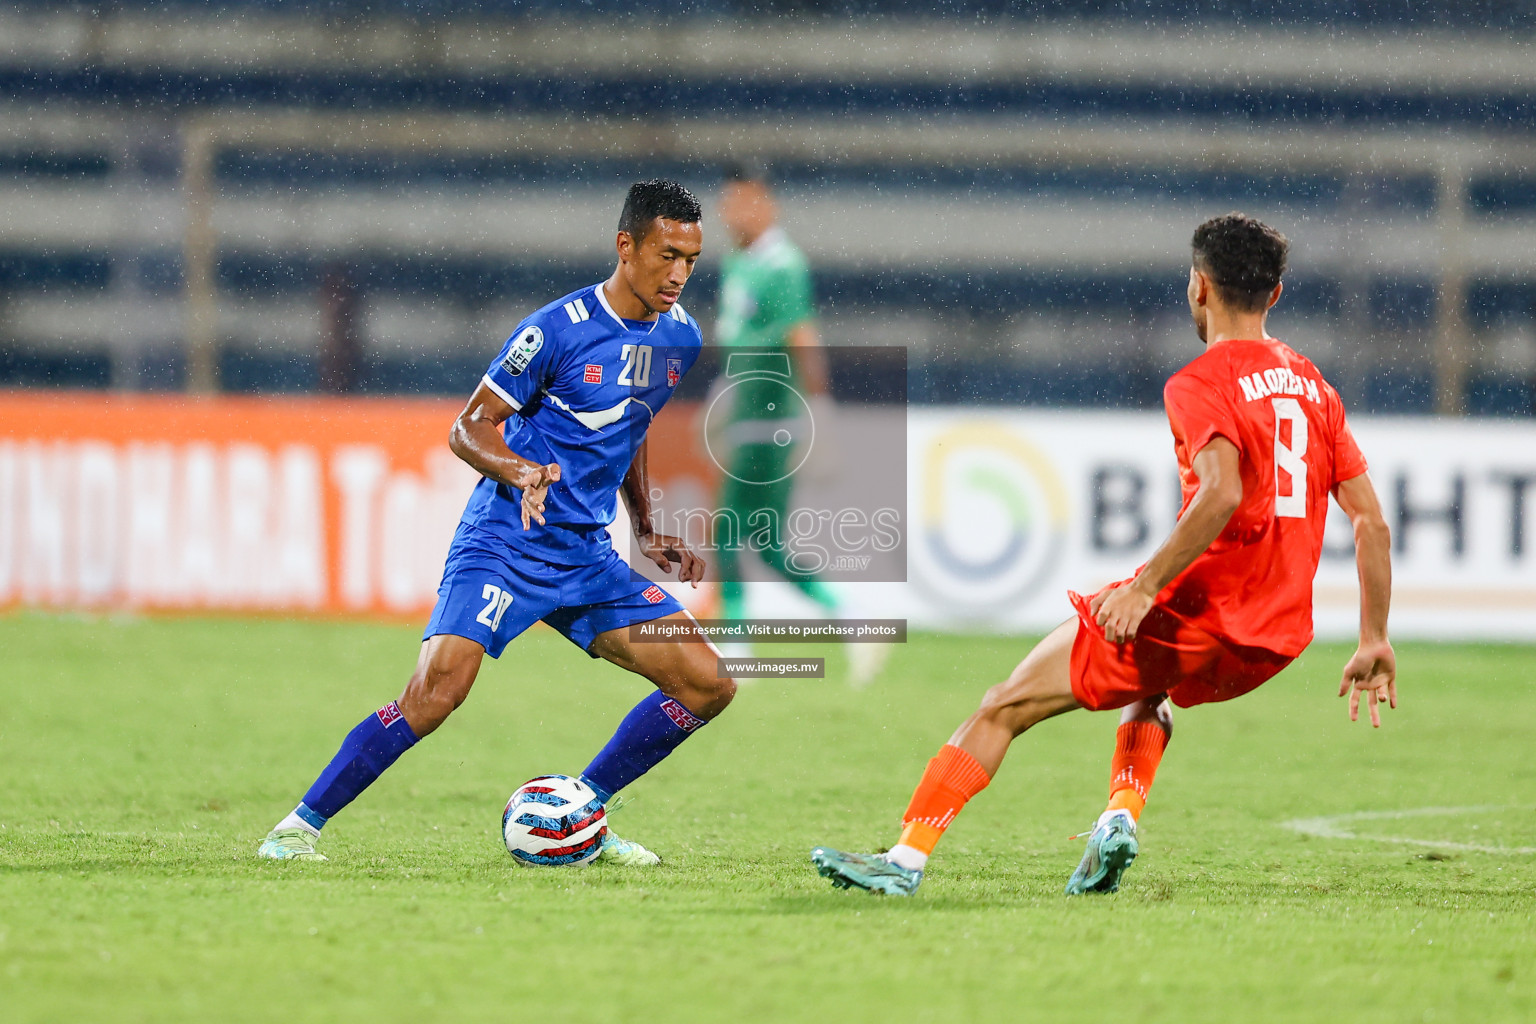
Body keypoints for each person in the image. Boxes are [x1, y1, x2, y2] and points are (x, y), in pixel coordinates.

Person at [811, 213, 1396, 896]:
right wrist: (1374, 636)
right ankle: (1118, 817)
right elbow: (1371, 524)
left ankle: (904, 860)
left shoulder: (1200, 382)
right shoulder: (1314, 388)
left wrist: (1144, 586)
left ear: (1198, 287)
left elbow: (1222, 491)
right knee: (1148, 686)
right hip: (1274, 635)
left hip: (1199, 608)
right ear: (1276, 294)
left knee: (1004, 704)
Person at [259, 180, 731, 865]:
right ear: (625, 247)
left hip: (585, 556)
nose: (680, 274)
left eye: (691, 258)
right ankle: (296, 828)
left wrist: (649, 527)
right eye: (667, 254)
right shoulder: (556, 331)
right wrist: (521, 472)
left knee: (707, 683)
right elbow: (468, 427)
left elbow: (631, 426)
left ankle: (580, 814)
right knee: (435, 694)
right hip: (506, 541)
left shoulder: (679, 337)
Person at [711, 160, 886, 684]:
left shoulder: (783, 265)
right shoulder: (738, 264)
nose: (729, 212)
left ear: (765, 205)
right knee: (764, 543)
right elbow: (738, 342)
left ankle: (738, 646)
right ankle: (849, 615)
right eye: (726, 202)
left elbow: (801, 336)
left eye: (740, 201)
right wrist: (722, 396)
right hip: (747, 412)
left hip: (772, 416)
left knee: (729, 531)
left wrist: (820, 411)